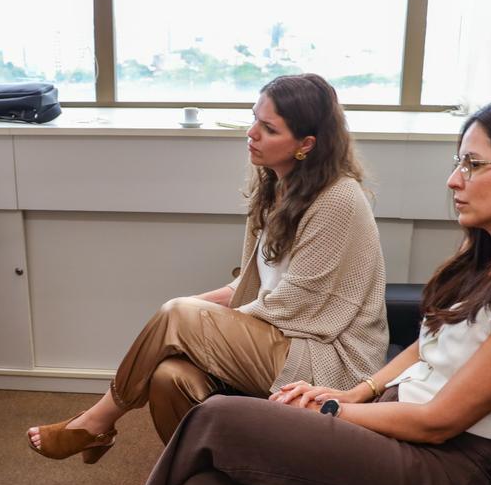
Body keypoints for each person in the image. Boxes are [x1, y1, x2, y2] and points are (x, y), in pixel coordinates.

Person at [96, 98, 491, 485]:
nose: (453, 179)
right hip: (398, 423)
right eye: (457, 161)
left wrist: (332, 409)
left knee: (218, 418)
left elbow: (438, 423)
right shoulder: (484, 262)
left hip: (440, 470)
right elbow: (429, 346)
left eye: (473, 164)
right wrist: (358, 391)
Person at [27, 73, 388, 457]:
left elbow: (296, 305)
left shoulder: (338, 199)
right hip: (282, 335)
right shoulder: (275, 186)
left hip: (328, 357)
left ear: (306, 144)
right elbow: (251, 285)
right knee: (169, 375)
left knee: (180, 316)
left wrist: (197, 324)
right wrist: (193, 316)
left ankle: (96, 422)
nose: (251, 133)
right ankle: (194, 476)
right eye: (254, 118)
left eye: (268, 129)